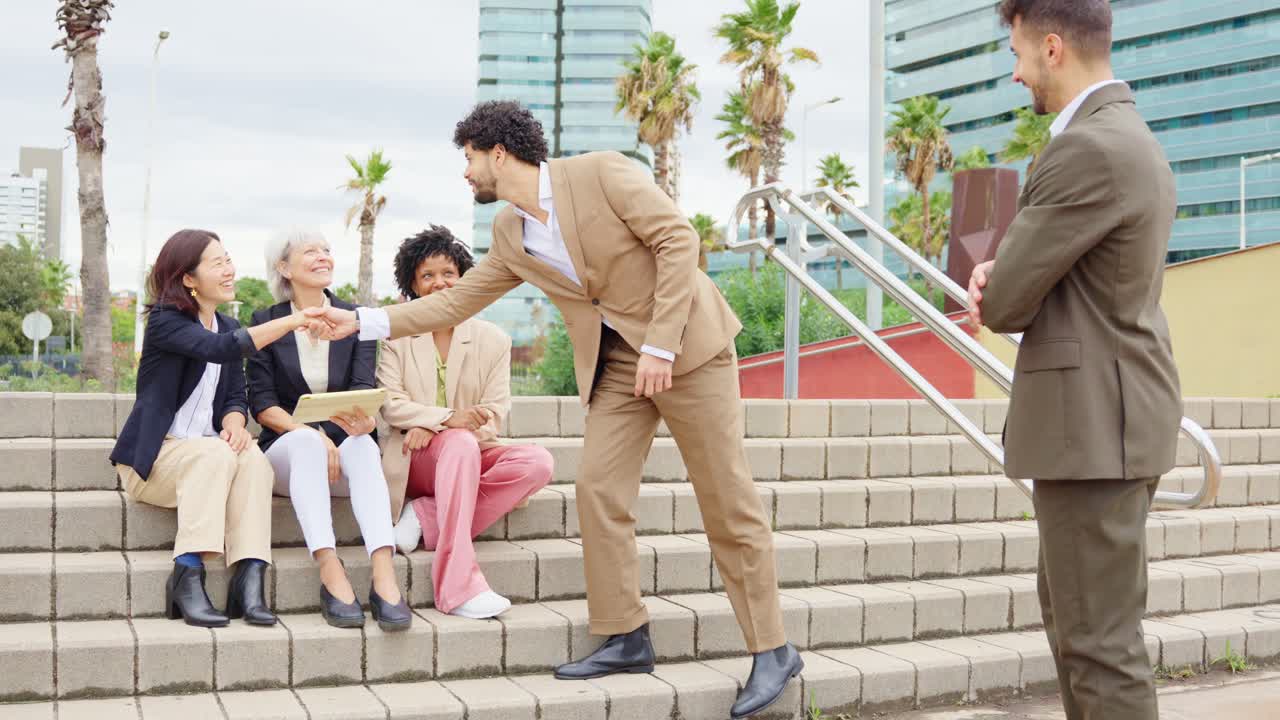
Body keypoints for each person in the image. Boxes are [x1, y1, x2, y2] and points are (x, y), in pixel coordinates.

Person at [307, 101, 797, 719]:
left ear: (499, 154)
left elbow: (679, 239)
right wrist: (362, 320)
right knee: (597, 490)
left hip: (687, 350)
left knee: (726, 499)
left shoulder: (601, 173)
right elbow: (453, 304)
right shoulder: (511, 234)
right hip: (617, 366)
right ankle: (625, 634)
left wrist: (662, 343)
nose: (466, 172)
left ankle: (772, 649)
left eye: (468, 158)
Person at [967, 2, 1181, 718]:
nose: (1016, 71)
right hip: (1102, 425)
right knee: (1082, 632)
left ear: (1052, 48)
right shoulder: (1123, 136)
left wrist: (997, 278)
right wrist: (1006, 273)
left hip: (1095, 431)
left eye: (1017, 53)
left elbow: (1005, 304)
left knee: (1098, 647)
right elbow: (1056, 274)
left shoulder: (1088, 146)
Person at [112, 229, 307, 628]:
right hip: (154, 461)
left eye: (228, 259)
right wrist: (294, 320)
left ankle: (248, 580)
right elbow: (220, 349)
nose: (229, 269)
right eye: (217, 263)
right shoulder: (167, 321)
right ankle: (186, 576)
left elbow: (236, 393)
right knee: (216, 452)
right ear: (188, 279)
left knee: (252, 457)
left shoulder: (227, 323)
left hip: (205, 455)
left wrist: (235, 422)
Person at [377, 226, 553, 619]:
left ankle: (426, 515)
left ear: (464, 279)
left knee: (537, 463)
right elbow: (390, 405)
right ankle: (458, 588)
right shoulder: (397, 337)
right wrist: (444, 421)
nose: (439, 283)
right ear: (413, 285)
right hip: (413, 456)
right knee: (458, 443)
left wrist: (437, 425)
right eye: (427, 275)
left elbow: (493, 413)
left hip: (470, 450)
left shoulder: (493, 339)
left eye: (448, 273)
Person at [246, 229, 411, 631]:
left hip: (342, 457)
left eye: (327, 250)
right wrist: (317, 436)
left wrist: (365, 421)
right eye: (310, 252)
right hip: (289, 455)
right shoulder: (266, 322)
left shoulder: (355, 319)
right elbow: (263, 404)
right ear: (284, 268)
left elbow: (360, 389)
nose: (323, 257)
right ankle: (329, 567)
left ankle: (383, 572)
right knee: (304, 440)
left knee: (364, 445)